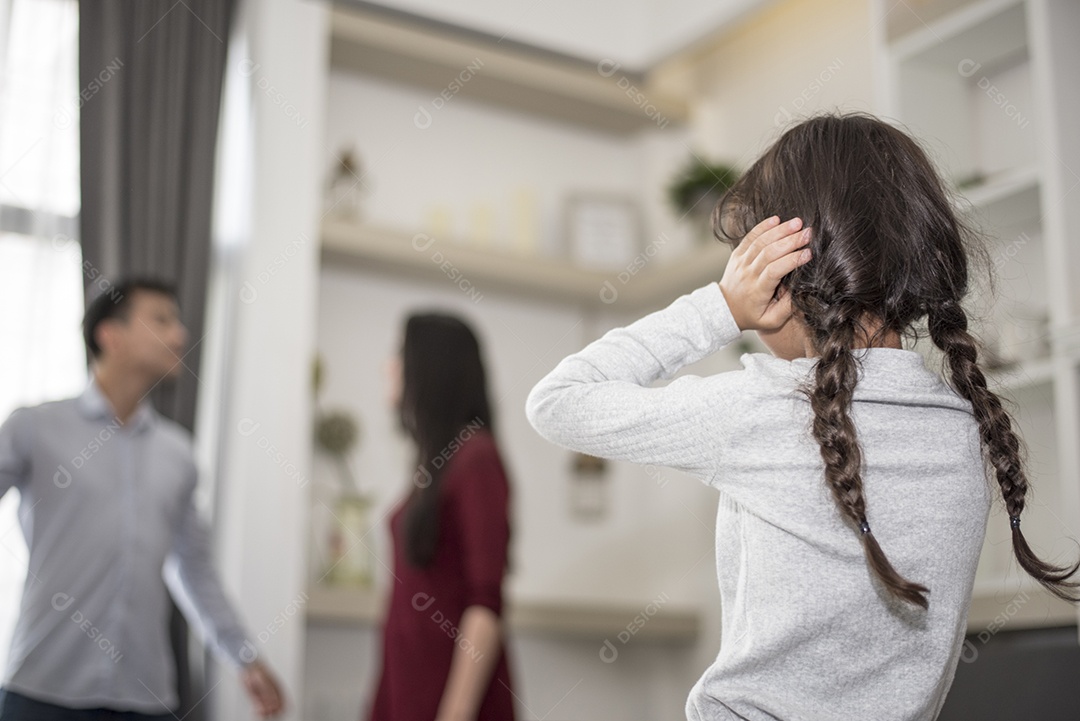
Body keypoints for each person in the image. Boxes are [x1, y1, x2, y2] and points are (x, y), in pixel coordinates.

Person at [525, 113, 1080, 720]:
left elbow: (560, 401)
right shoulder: (969, 434)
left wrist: (720, 309)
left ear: (783, 282)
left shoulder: (764, 410)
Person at [0, 278, 284, 719]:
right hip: (41, 691)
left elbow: (194, 570)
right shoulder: (34, 428)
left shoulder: (178, 454)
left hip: (144, 699)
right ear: (109, 335)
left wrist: (243, 655)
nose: (180, 335)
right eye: (161, 320)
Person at [368, 312, 515, 721]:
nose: (388, 366)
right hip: (408, 691)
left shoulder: (476, 459)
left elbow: (484, 604)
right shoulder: (435, 467)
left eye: (399, 354)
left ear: (430, 367)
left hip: (450, 703)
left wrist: (454, 714)